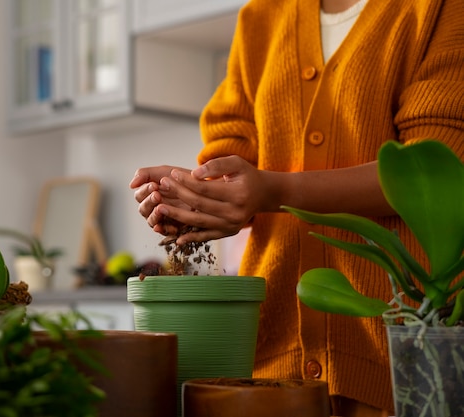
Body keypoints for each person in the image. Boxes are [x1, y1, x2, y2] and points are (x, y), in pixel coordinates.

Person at [129, 0, 464, 415]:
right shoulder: (261, 17)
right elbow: (232, 152)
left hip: (405, 353)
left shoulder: (439, 9)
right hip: (274, 362)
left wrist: (272, 190)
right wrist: (192, 196)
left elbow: (431, 170)